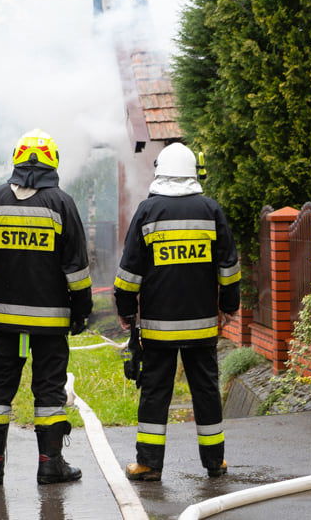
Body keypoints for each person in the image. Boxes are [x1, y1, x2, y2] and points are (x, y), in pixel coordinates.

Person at [0, 129, 92, 486]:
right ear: (53, 161)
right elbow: (77, 269)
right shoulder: (62, 204)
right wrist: (81, 311)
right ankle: (50, 465)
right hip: (50, 324)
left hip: (6, 322)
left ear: (16, 159)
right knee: (49, 390)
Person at [114, 142, 240, 481]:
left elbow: (129, 273)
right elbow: (228, 267)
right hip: (202, 328)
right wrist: (229, 307)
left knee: (155, 393)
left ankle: (149, 464)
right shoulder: (211, 210)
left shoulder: (147, 211)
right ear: (192, 172)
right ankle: (215, 463)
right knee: (206, 391)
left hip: (158, 329)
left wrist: (126, 311)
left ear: (160, 172)